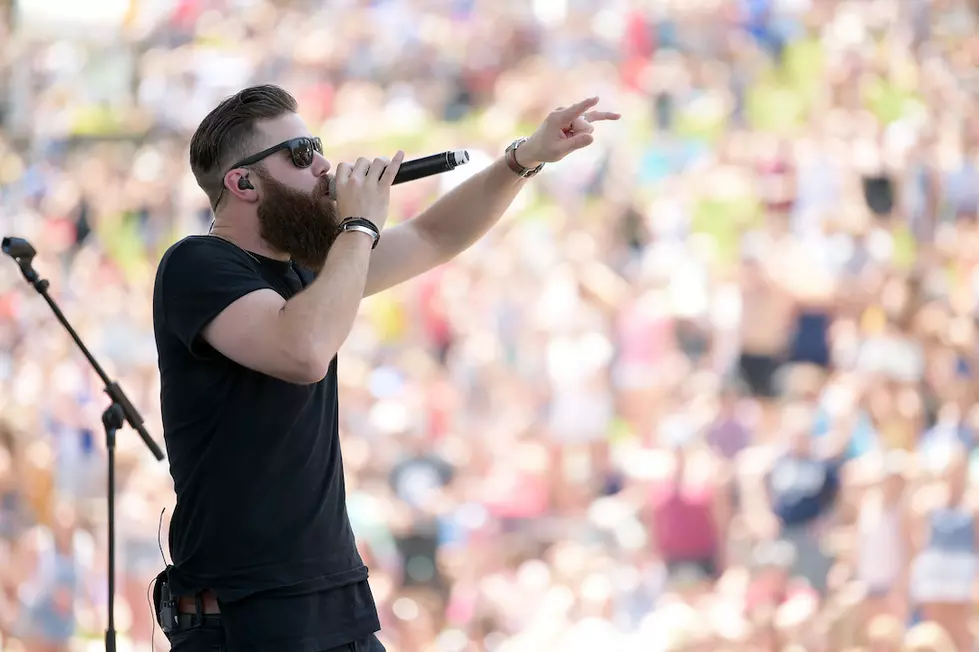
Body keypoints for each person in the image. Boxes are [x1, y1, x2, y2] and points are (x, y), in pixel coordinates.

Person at [150, 84, 619, 652]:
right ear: (242, 182)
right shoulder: (198, 264)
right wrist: (358, 227)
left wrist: (524, 158)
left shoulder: (308, 273)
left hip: (330, 600)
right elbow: (303, 350)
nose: (324, 165)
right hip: (247, 615)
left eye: (317, 146)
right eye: (300, 154)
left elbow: (431, 235)